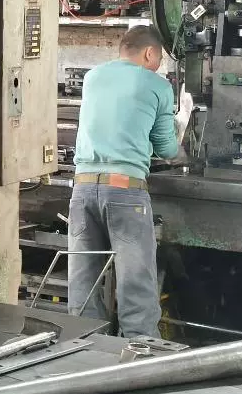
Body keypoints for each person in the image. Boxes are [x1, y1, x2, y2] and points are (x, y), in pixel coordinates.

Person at [68, 24, 193, 339]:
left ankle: (84, 347)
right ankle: (141, 350)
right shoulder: (157, 85)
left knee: (83, 279)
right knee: (135, 282)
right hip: (125, 193)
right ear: (150, 53)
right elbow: (166, 149)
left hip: (82, 189)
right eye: (159, 59)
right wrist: (182, 140)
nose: (158, 66)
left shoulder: (93, 77)